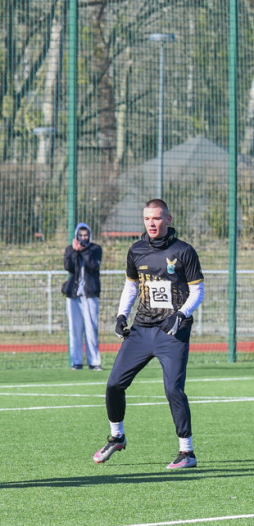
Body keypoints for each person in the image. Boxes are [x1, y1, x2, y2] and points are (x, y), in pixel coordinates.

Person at [93, 198, 205, 469]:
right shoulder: (136, 250)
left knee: (173, 390)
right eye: (147, 219)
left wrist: (181, 315)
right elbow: (131, 286)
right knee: (114, 385)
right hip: (142, 329)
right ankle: (117, 437)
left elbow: (197, 291)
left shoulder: (184, 251)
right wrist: (121, 315)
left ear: (168, 219)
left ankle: (187, 452)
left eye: (156, 218)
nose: (151, 223)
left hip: (172, 332)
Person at [63, 222, 103, 370]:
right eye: (81, 235)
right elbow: (68, 267)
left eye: (86, 235)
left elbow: (94, 266)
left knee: (91, 328)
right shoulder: (70, 250)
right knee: (75, 329)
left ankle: (94, 362)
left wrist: (83, 251)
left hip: (89, 294)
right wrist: (75, 252)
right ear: (76, 236)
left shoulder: (95, 249)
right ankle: (77, 361)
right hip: (73, 295)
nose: (83, 238)